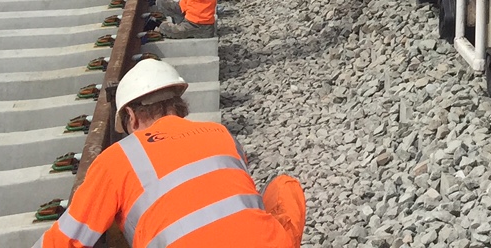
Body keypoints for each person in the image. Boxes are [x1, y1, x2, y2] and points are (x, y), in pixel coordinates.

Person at [40, 56, 304, 248]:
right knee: (283, 187)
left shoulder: (117, 158)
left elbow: (66, 240)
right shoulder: (221, 133)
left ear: (131, 115)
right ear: (178, 104)